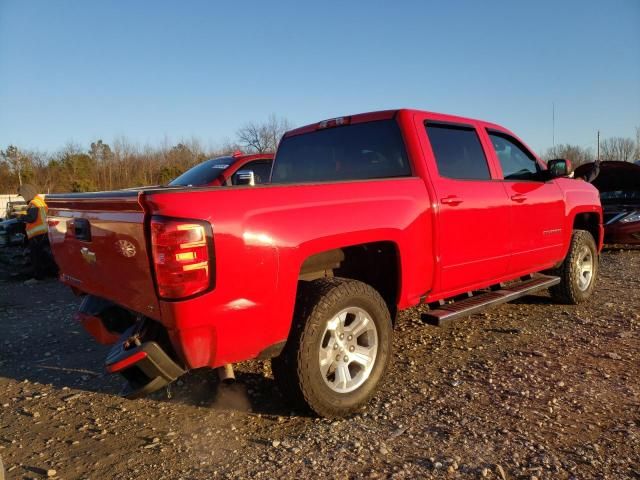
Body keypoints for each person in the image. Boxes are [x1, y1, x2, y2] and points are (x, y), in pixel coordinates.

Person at [17, 184, 57, 281]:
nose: (23, 198)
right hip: (44, 232)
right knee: (45, 255)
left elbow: (32, 218)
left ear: (27, 193)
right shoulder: (40, 201)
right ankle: (54, 274)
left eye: (22, 195)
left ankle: (38, 278)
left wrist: (20, 217)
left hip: (37, 234)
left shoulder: (34, 203)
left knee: (36, 257)